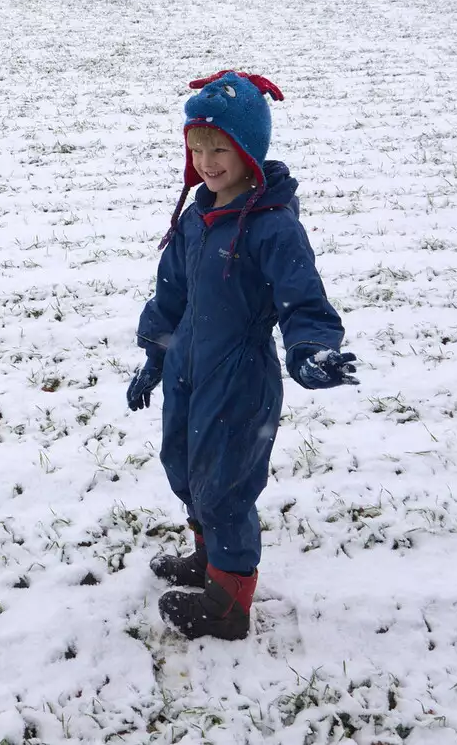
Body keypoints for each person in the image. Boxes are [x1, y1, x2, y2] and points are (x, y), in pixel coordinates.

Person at [127, 70, 358, 641]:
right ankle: (209, 561)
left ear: (248, 150)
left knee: (226, 484)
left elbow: (302, 295)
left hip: (238, 378)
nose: (207, 161)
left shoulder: (271, 228)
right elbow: (171, 294)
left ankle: (229, 603)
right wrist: (154, 358)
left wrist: (310, 349)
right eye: (197, 147)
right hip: (188, 370)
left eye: (220, 148)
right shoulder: (195, 218)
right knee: (183, 466)